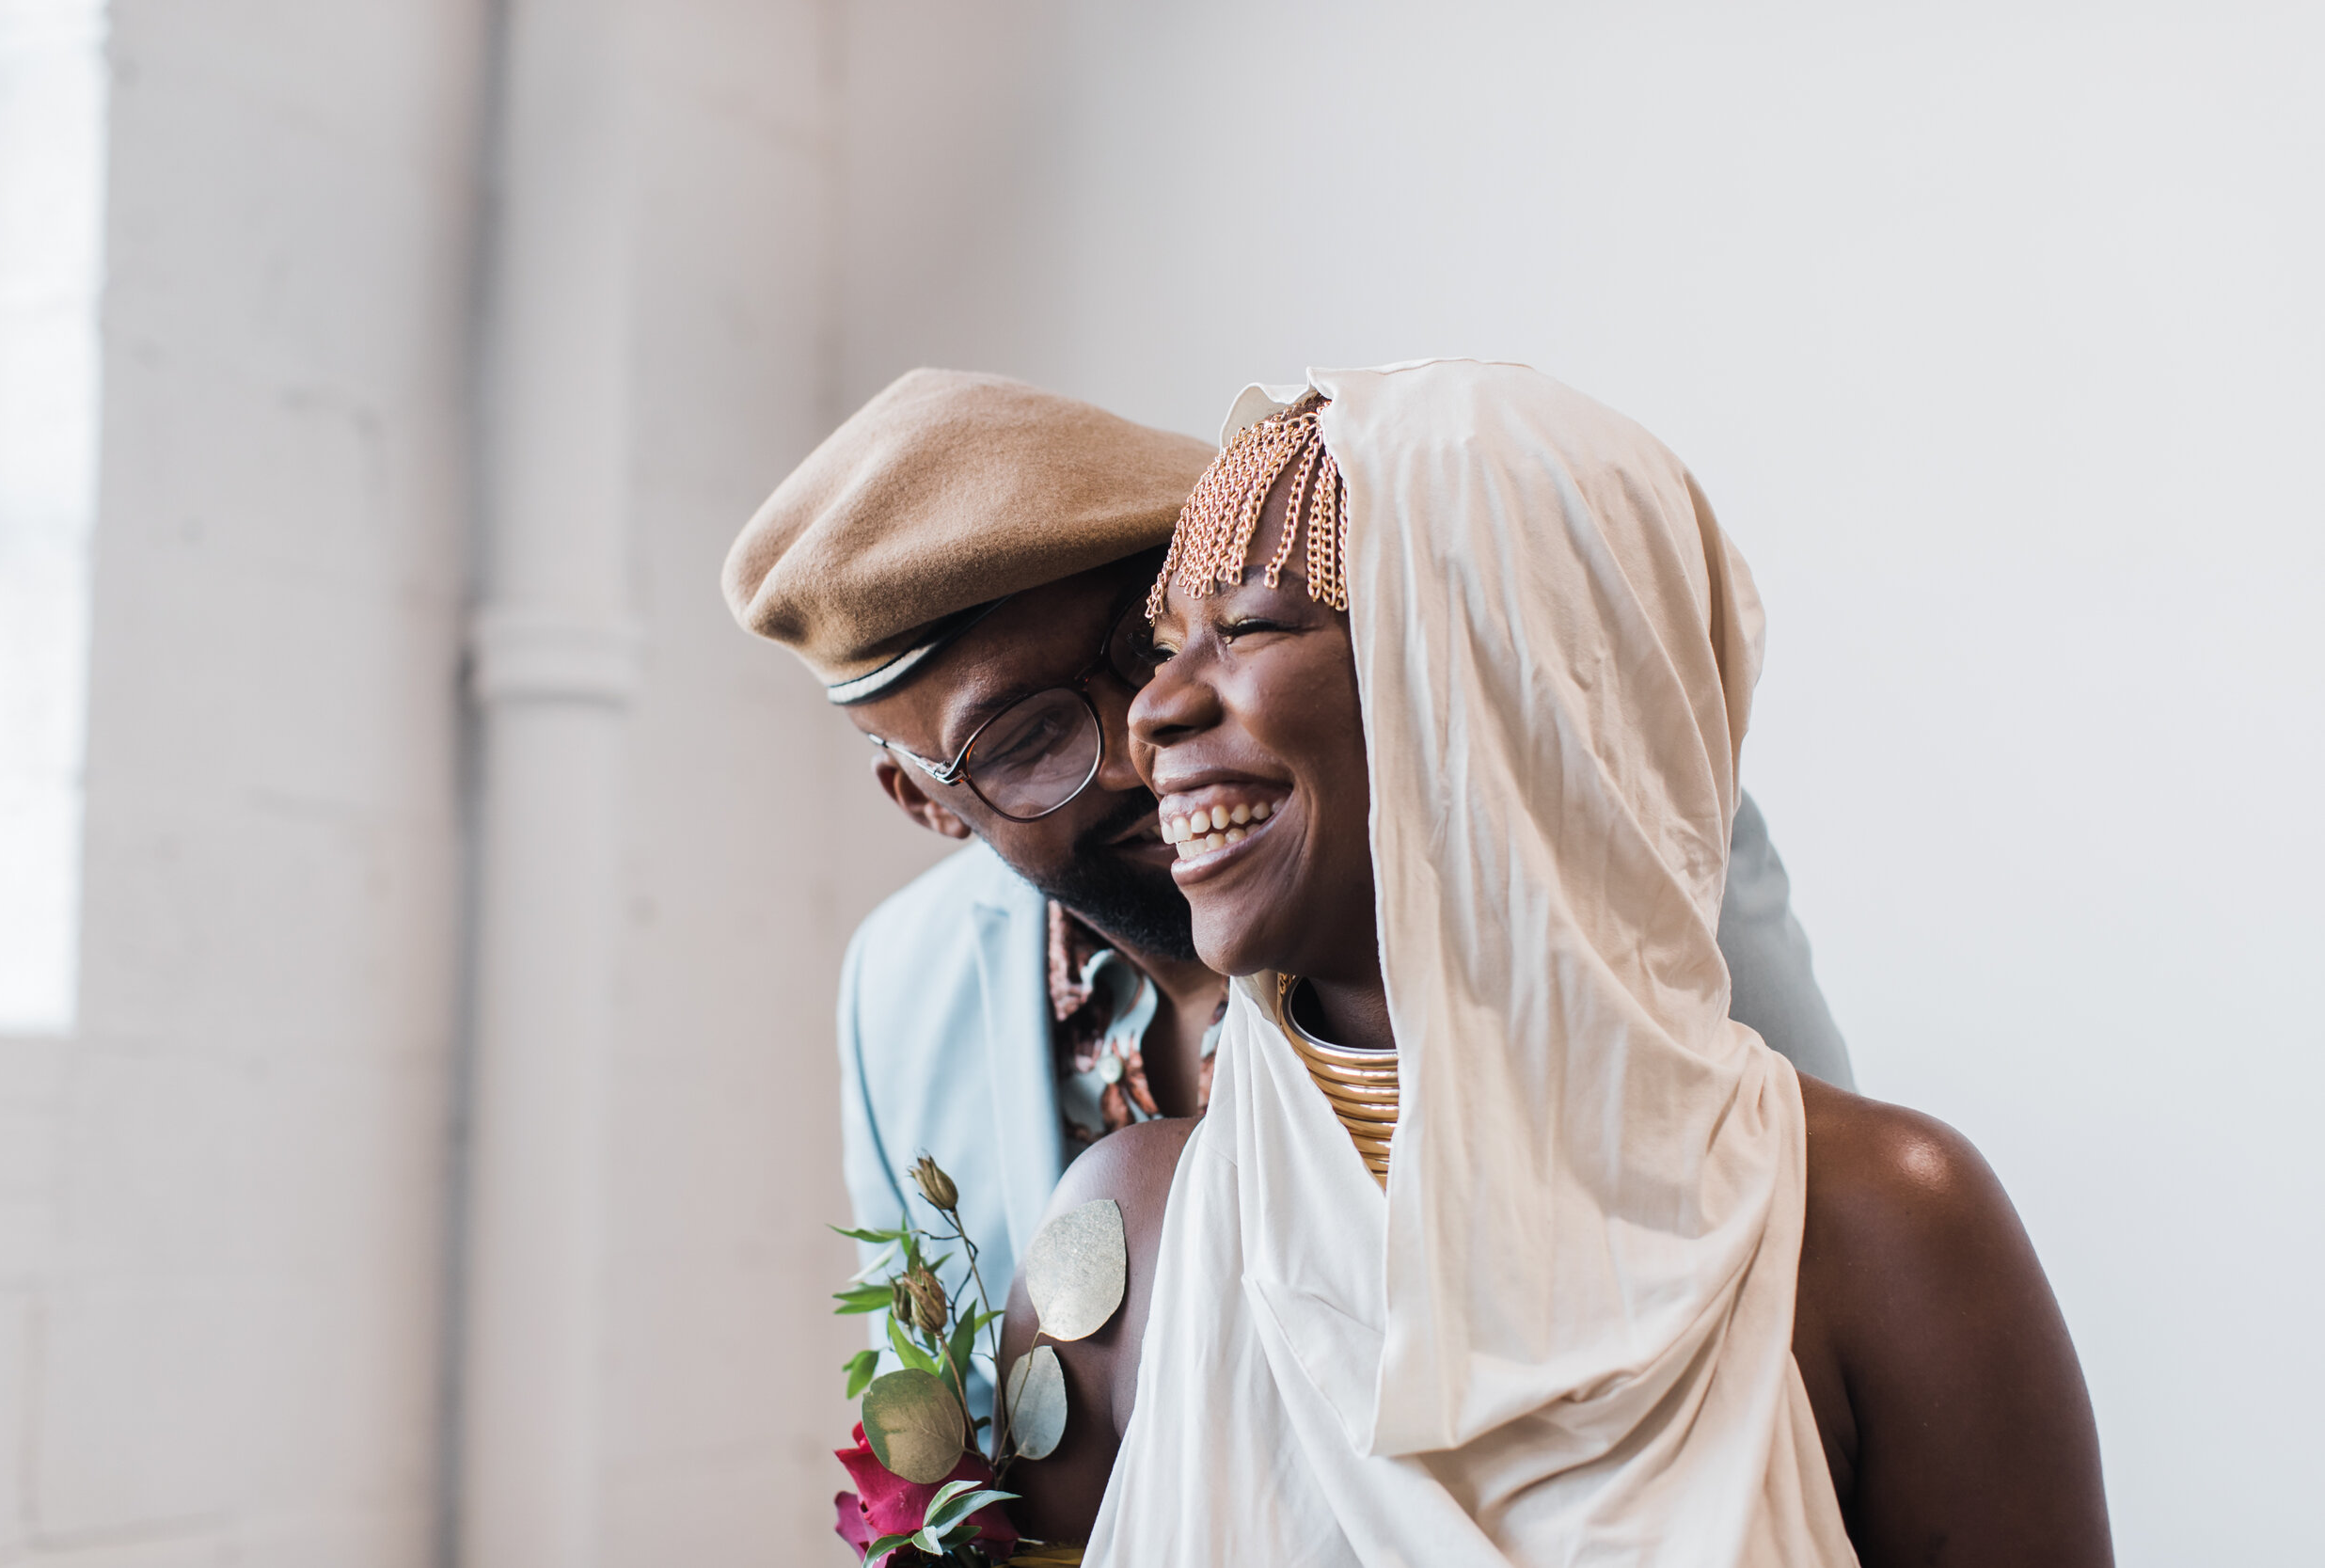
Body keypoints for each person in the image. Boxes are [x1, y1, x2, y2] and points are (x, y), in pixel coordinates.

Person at [1002, 361, 2111, 1564]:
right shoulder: (1127, 1238)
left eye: (1252, 626)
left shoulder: (1878, 1228)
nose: (1151, 714)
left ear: (1500, 677)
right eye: (1168, 645)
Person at [720, 367, 1856, 1341]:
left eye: (1155, 641)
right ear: (923, 802)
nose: (1144, 734)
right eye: (1028, 740)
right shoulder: (897, 992)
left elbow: (1806, 1240)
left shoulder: (1575, 834)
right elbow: (964, 1440)